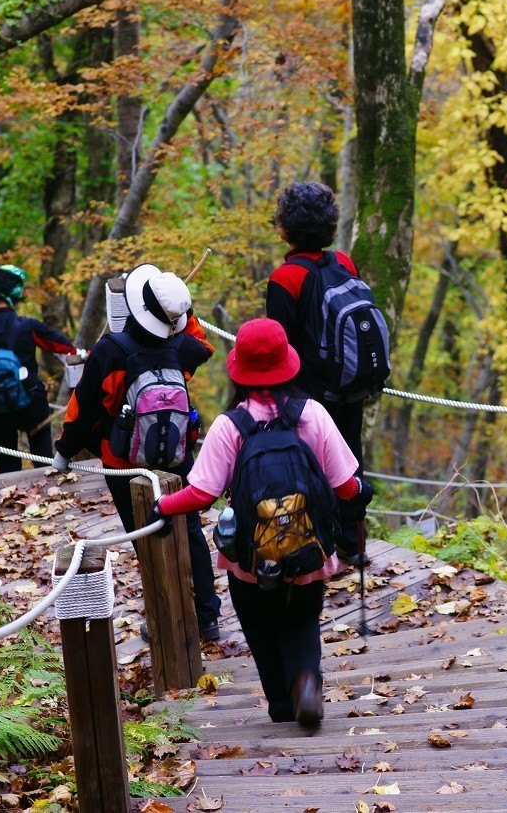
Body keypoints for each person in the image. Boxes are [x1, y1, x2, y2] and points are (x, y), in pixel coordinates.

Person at [150, 318, 372, 727]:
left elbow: (201, 494)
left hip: (250, 559)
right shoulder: (314, 416)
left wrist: (163, 507)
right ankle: (306, 680)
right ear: (288, 364)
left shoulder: (229, 427)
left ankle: (280, 705)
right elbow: (344, 485)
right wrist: (361, 490)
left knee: (260, 626)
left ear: (241, 371)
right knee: (303, 620)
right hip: (309, 551)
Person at [53, 264, 222, 641]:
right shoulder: (181, 347)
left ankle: (165, 620)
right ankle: (207, 617)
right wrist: (184, 315)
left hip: (124, 461)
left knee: (146, 536)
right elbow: (205, 347)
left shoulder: (110, 351)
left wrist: (64, 449)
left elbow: (85, 408)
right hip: (177, 455)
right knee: (190, 529)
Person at [265, 182, 389, 565]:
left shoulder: (284, 278)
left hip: (308, 395)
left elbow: (278, 347)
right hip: (350, 386)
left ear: (285, 227)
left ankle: (319, 550)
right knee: (350, 462)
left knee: (310, 469)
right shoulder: (344, 262)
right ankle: (354, 545)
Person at [0, 264, 84, 474]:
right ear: (16, 293)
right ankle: (50, 499)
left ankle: (12, 501)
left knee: (8, 467)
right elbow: (67, 349)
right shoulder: (28, 326)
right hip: (31, 405)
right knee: (43, 461)